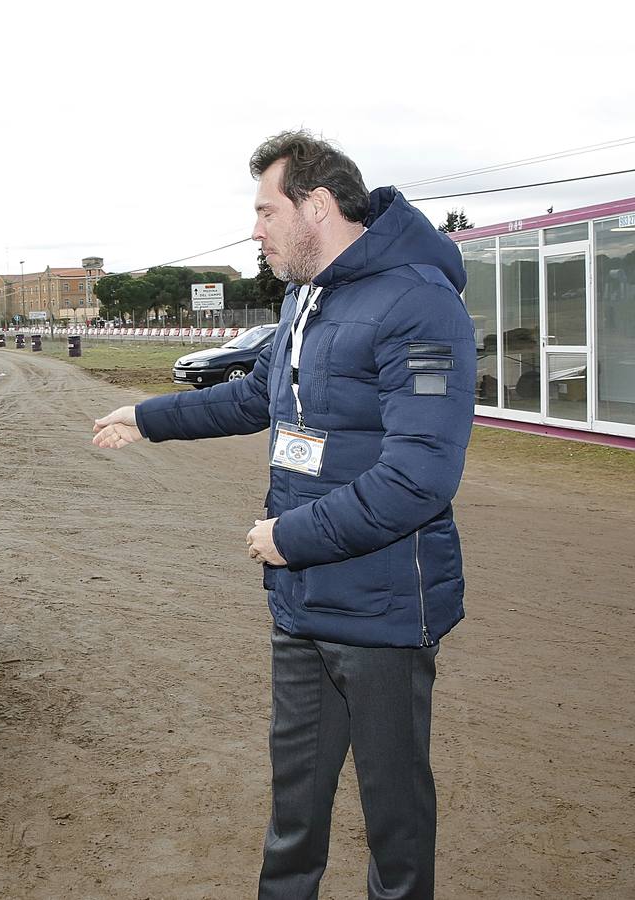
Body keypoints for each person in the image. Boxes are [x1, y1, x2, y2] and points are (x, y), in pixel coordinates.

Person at [93, 131, 475, 899]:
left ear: (318, 206)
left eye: (266, 211)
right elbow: (253, 396)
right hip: (301, 605)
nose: (257, 230)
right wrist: (149, 416)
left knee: (394, 822)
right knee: (293, 813)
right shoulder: (305, 296)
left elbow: (419, 478)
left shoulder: (419, 302)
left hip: (383, 611)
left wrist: (287, 539)